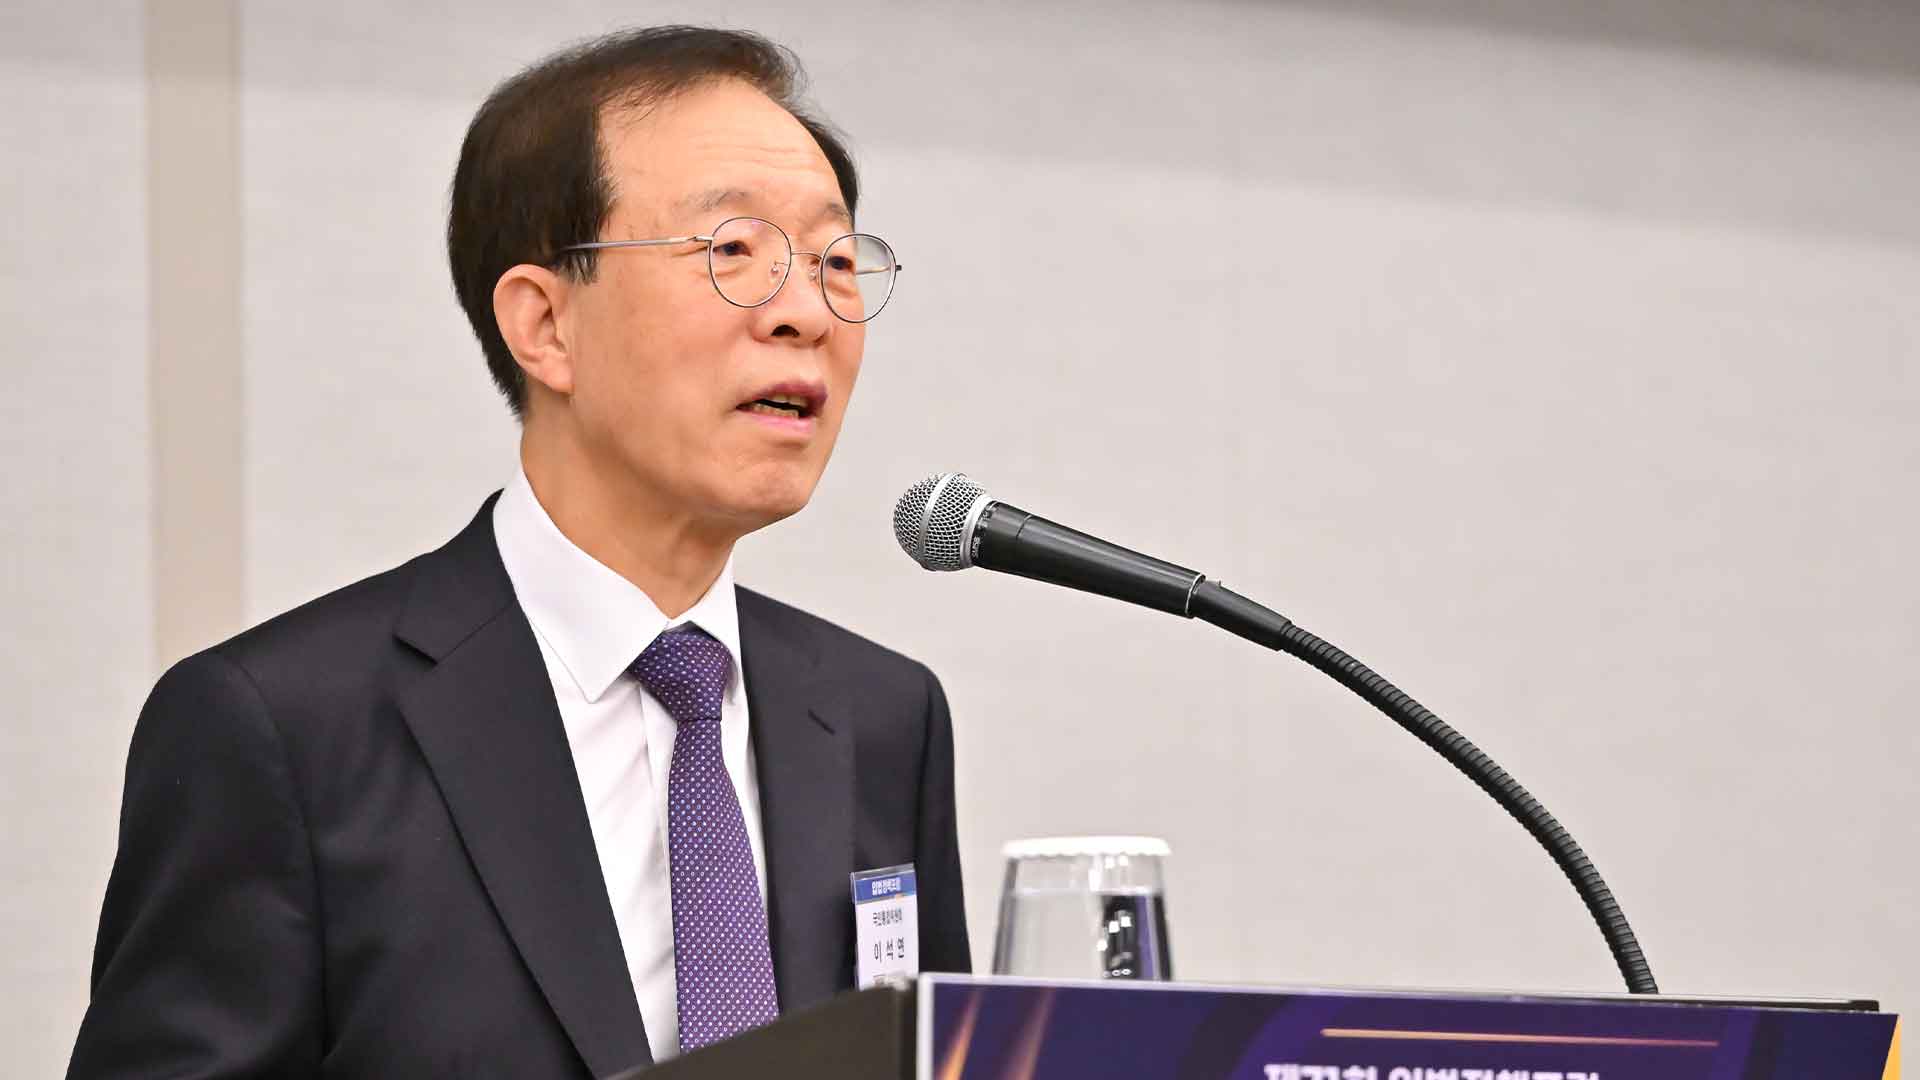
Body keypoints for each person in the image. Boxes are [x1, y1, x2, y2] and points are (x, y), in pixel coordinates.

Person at [68, 25, 969, 1078]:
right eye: (732, 252)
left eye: (835, 262)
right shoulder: (280, 729)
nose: (807, 313)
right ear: (543, 324)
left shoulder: (882, 716)